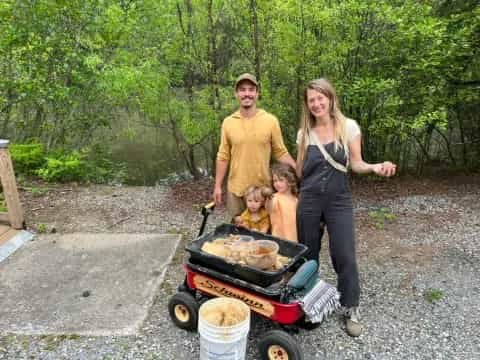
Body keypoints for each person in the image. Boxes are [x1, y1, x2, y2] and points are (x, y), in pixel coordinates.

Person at [296, 78, 396, 337]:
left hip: (338, 200)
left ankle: (350, 307)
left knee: (345, 255)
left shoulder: (349, 127)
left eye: (321, 98)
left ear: (330, 99)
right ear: (307, 105)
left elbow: (357, 163)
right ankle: (308, 304)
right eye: (312, 100)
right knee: (307, 256)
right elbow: (299, 171)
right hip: (308, 200)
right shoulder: (304, 134)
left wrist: (374, 167)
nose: (317, 104)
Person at [212, 73, 296, 221]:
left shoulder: (270, 121)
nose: (247, 94)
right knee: (236, 236)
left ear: (257, 93)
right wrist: (218, 186)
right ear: (236, 93)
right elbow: (223, 156)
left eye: (251, 89)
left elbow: (280, 152)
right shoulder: (228, 122)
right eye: (242, 90)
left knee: (264, 237)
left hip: (263, 191)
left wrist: (299, 169)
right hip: (236, 192)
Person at [265, 163, 298, 242]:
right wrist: (269, 197)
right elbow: (269, 208)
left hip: (294, 238)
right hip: (278, 238)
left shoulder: (296, 200)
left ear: (290, 181)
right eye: (275, 181)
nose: (277, 183)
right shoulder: (275, 197)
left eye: (281, 180)